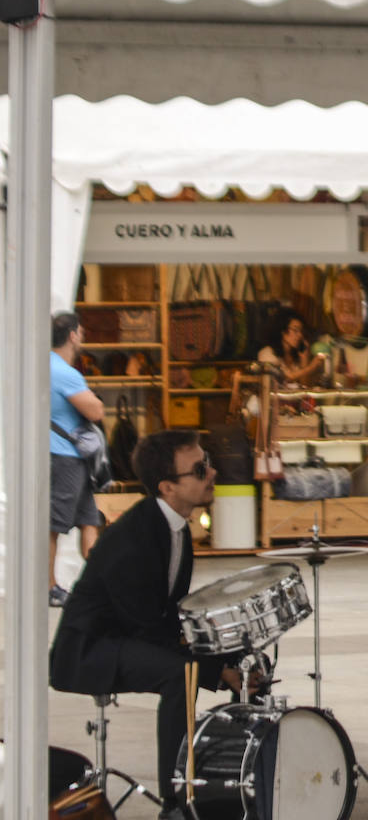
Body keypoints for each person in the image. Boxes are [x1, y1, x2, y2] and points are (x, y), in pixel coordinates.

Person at [49, 430, 239, 820]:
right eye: (201, 468)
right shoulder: (134, 536)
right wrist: (212, 671)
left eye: (208, 462)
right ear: (168, 486)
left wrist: (225, 661)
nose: (212, 472)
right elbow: (150, 629)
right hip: (88, 649)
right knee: (179, 673)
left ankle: (233, 780)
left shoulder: (177, 528)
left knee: (214, 658)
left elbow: (168, 617)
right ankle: (175, 801)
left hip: (126, 636)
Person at [49, 312, 106, 604]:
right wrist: (96, 401)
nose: (82, 336)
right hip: (64, 457)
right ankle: (49, 587)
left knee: (88, 519)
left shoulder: (46, 365)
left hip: (70, 457)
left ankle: (98, 583)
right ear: (72, 335)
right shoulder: (63, 371)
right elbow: (95, 411)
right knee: (54, 525)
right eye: (81, 331)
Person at [258, 309, 325, 387]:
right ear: (282, 331)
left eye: (301, 331)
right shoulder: (267, 353)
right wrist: (311, 367)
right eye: (295, 330)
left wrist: (304, 360)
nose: (300, 335)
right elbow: (284, 378)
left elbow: (304, 386)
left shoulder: (295, 356)